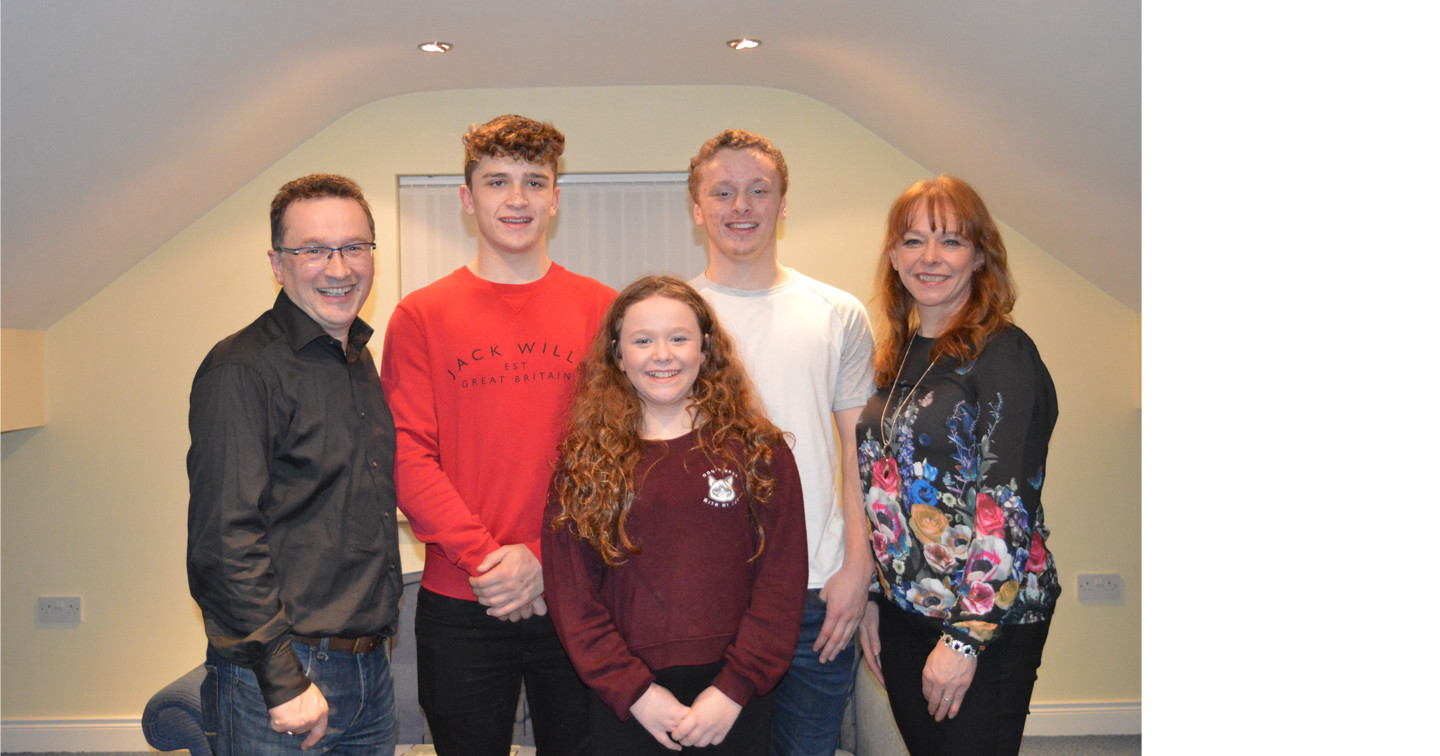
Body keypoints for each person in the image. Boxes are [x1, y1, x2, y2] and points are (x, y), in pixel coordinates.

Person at [381, 114, 613, 755]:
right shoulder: (421, 315)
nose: (517, 199)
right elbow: (406, 455)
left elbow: (620, 458)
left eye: (534, 182)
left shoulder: (603, 309)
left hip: (578, 593)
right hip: (462, 598)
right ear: (467, 198)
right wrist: (489, 559)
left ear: (556, 198)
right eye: (497, 181)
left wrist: (545, 559)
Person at [542, 275, 808, 755]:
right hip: (627, 702)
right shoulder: (584, 462)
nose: (661, 354)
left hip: (734, 701)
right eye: (642, 340)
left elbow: (782, 582)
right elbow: (571, 596)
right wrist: (636, 693)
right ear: (618, 357)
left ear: (706, 349)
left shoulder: (758, 450)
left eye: (678, 337)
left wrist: (734, 689)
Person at [187, 173, 403, 754]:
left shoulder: (356, 359)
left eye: (354, 247)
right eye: (312, 250)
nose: (338, 268)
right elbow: (224, 541)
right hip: (282, 675)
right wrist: (284, 681)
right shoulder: (242, 370)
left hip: (369, 673)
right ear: (277, 264)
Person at [685, 129, 876, 756]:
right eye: (724, 191)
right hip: (709, 591)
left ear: (783, 204)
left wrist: (858, 566)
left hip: (817, 590)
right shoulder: (673, 316)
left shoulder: (836, 311)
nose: (741, 206)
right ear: (697, 208)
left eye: (758, 190)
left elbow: (857, 452)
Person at [855, 176, 1061, 755]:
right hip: (903, 612)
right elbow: (882, 491)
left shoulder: (1004, 355)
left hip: (987, 621)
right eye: (913, 240)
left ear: (979, 256)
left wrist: (965, 641)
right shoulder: (897, 354)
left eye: (950, 241)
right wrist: (873, 598)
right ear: (894, 257)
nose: (930, 257)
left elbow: (1009, 509)